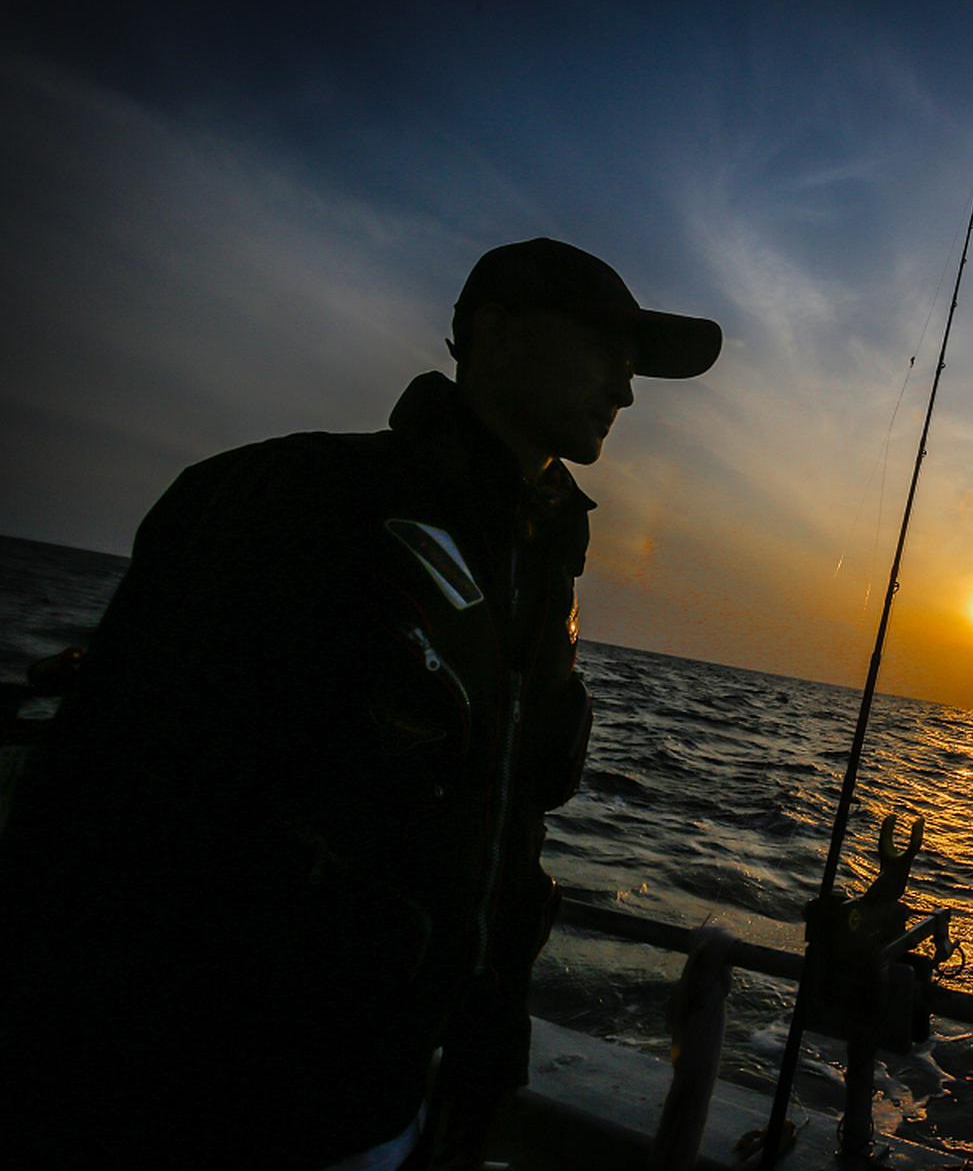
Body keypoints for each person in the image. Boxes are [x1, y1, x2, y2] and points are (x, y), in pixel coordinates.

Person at [0, 238, 722, 1169]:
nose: (626, 388)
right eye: (603, 346)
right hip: (216, 1093)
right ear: (490, 333)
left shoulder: (542, 568)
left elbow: (507, 828)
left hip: (398, 1091)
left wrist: (489, 1037)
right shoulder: (287, 498)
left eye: (636, 366)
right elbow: (105, 791)